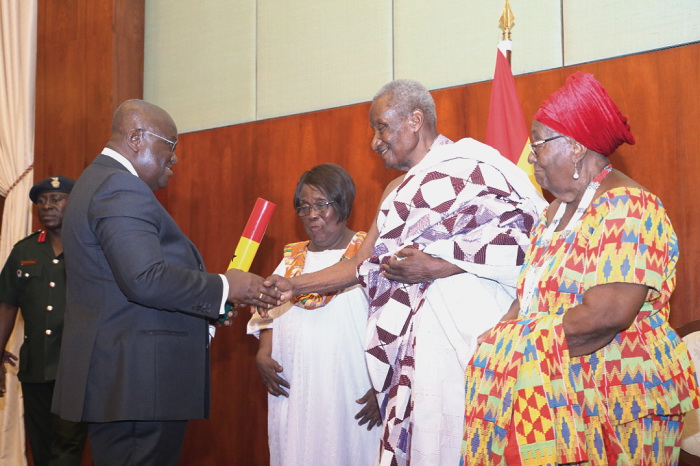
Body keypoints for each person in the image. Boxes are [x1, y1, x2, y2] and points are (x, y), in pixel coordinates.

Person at [264, 79, 545, 466]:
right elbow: (361, 266)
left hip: (478, 334)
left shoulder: (477, 167)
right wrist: (291, 285)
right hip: (418, 343)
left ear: (416, 120)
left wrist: (439, 265)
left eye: (381, 127)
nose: (374, 142)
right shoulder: (395, 190)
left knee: (478, 440)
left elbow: (528, 241)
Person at [462, 72, 700, 465]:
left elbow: (606, 316)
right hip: (555, 394)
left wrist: (515, 348)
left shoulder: (629, 207)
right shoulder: (553, 214)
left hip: (620, 402)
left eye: (538, 143)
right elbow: (528, 300)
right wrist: (494, 343)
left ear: (574, 146)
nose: (531, 155)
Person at [51, 100, 282, 466]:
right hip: (136, 383)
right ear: (136, 138)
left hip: (126, 382)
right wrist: (227, 287)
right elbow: (145, 278)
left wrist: (207, 310)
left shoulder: (98, 181)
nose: (175, 159)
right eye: (170, 146)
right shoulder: (119, 188)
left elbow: (121, 284)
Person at [248, 163, 382, 465]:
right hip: (295, 390)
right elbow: (264, 310)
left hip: (353, 392)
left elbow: (391, 323)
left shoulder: (368, 256)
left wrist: (382, 387)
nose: (312, 215)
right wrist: (263, 351)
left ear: (343, 203)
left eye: (322, 204)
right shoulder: (291, 258)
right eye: (304, 207)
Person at [0, 176, 87, 466]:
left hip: (75, 369)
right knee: (41, 447)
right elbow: (7, 305)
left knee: (66, 450)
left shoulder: (90, 248)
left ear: (74, 203)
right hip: (35, 367)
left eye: (55, 199)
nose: (46, 206)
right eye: (42, 201)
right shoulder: (23, 251)